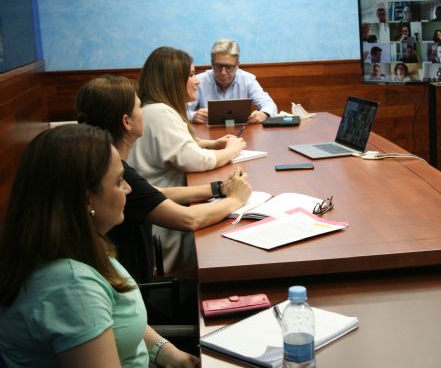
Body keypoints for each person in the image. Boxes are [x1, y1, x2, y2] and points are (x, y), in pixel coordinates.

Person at [0, 124, 199, 367]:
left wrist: (168, 353)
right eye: (118, 181)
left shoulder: (77, 244)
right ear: (86, 200)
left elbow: (120, 320)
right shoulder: (70, 287)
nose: (128, 188)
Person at [76, 74, 252, 283]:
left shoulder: (101, 161)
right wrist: (235, 200)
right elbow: (190, 219)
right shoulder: (112, 171)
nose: (145, 113)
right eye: (140, 108)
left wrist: (218, 188)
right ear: (126, 122)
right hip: (135, 289)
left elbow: (154, 192)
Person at [129, 46, 246, 274]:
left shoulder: (157, 109)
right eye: (192, 75)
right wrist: (233, 148)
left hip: (163, 208)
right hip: (165, 227)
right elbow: (198, 161)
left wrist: (210, 143)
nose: (198, 81)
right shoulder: (160, 112)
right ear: (173, 79)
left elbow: (178, 146)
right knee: (224, 242)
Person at [188, 39, 277, 124]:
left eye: (229, 67)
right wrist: (193, 116)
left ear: (237, 65)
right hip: (207, 135)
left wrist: (263, 114)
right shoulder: (198, 81)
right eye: (218, 66)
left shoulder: (247, 80)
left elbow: (269, 105)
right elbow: (182, 111)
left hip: (243, 134)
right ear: (212, 63)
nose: (223, 73)